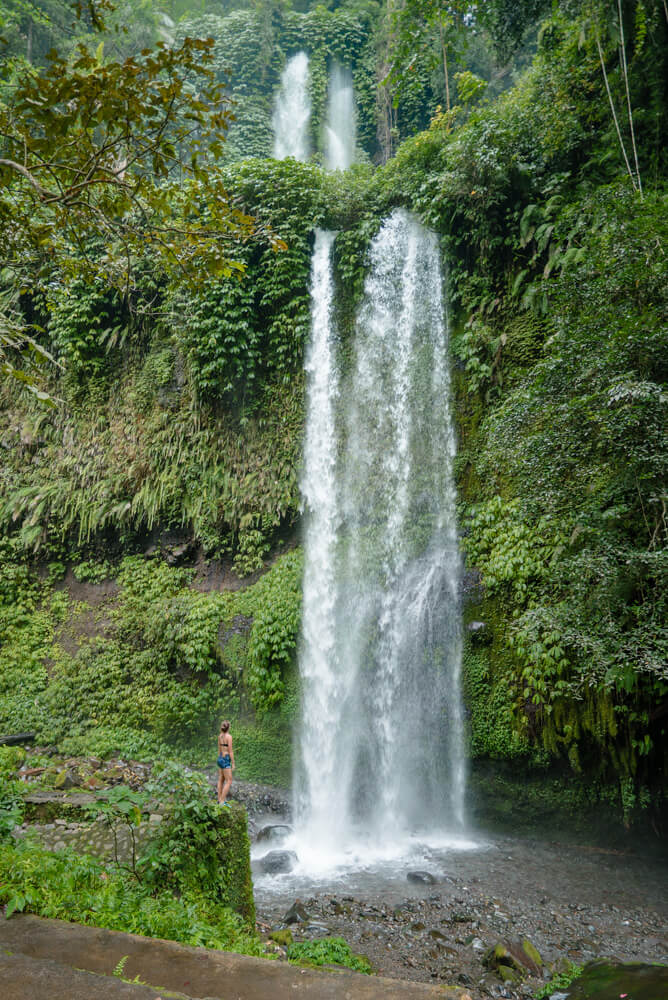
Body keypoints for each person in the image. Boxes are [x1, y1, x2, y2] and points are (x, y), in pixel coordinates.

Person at [217, 720, 235, 805]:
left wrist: (219, 759)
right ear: (229, 728)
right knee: (229, 780)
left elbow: (219, 749)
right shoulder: (229, 737)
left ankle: (219, 799)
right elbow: (230, 751)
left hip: (220, 758)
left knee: (221, 779)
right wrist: (233, 763)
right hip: (226, 759)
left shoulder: (220, 736)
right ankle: (222, 801)